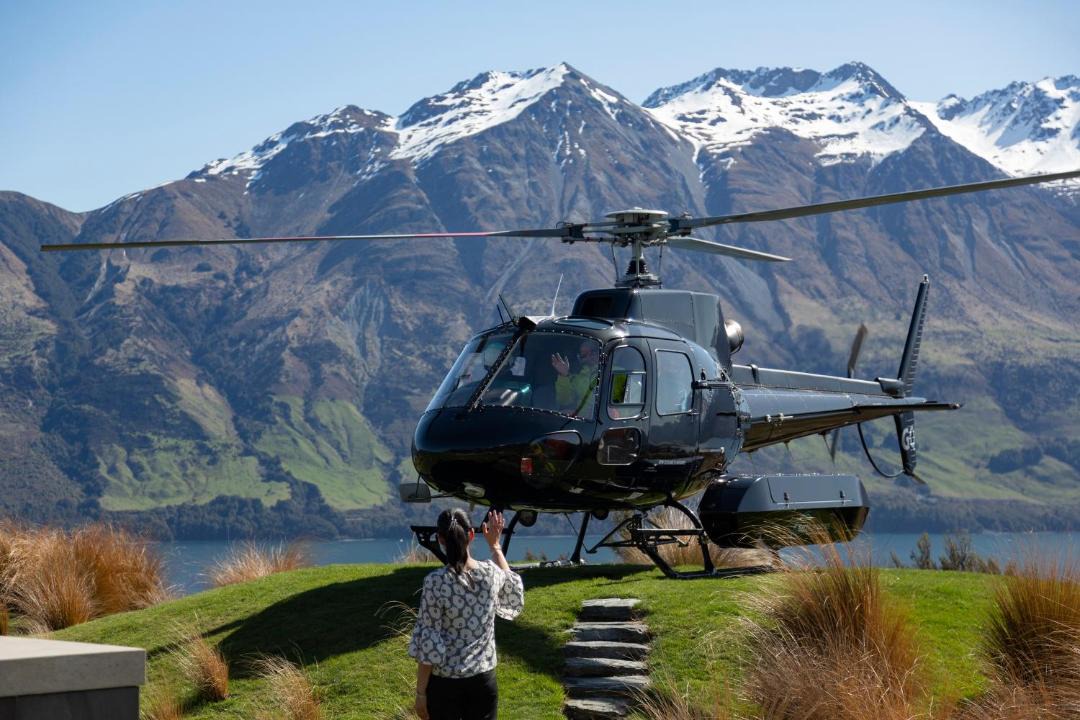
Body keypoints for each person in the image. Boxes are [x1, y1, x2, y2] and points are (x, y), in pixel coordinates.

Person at [409, 508, 524, 720]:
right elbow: (513, 593)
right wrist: (495, 546)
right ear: (471, 534)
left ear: (440, 539)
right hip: (483, 681)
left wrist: (420, 693)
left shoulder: (435, 582)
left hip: (444, 685)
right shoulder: (491, 574)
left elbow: (429, 644)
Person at [550, 340, 599, 415]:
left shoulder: (614, 372)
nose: (589, 356)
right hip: (582, 422)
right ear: (580, 357)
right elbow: (564, 401)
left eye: (593, 351)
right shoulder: (575, 378)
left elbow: (619, 407)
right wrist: (563, 375)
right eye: (584, 354)